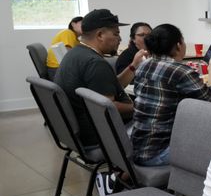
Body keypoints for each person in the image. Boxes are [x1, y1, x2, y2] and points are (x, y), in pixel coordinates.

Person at [131, 24, 211, 166]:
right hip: (159, 152)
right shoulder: (181, 71)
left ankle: (123, 176)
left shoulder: (144, 65)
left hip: (138, 146)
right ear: (178, 45)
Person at [54, 8, 145, 147]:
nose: (120, 39)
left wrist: (133, 65)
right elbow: (108, 107)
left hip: (78, 133)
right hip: (100, 135)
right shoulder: (95, 63)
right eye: (116, 34)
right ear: (100, 35)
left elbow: (110, 85)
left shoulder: (76, 53)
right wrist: (142, 107)